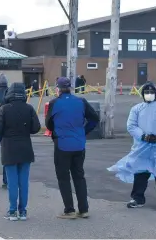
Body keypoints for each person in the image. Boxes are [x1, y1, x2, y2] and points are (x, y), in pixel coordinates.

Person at [108, 82, 156, 209]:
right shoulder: (137, 108)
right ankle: (137, 198)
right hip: (142, 147)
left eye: (151, 92)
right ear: (142, 94)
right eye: (146, 92)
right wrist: (144, 136)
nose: (149, 94)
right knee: (140, 172)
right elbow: (131, 125)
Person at [45, 77, 99, 219]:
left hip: (62, 144)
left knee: (63, 177)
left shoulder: (54, 103)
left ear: (58, 88)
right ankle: (84, 209)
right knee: (79, 176)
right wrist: (84, 131)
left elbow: (49, 124)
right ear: (70, 88)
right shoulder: (81, 102)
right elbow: (94, 118)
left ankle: (69, 210)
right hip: (79, 143)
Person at [0, 82, 41, 221]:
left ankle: (12, 211)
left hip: (9, 148)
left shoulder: (4, 109)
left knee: (12, 181)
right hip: (25, 147)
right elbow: (36, 128)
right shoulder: (29, 108)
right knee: (23, 181)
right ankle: (23, 211)